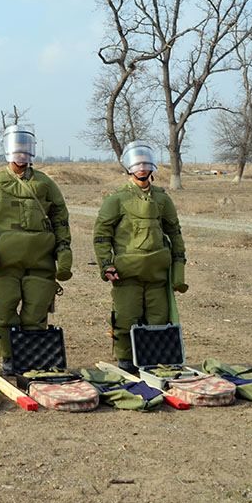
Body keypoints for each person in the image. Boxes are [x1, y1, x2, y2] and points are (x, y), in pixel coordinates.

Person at [0, 125, 72, 373]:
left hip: (41, 262)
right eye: (17, 149)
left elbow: (60, 219)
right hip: (6, 263)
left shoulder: (45, 184)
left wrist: (64, 252)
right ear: (7, 150)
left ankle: (32, 358)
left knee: (35, 315)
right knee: (4, 313)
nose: (21, 154)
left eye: (25, 148)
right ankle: (9, 358)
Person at [93, 140, 187, 373]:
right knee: (126, 318)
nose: (142, 170)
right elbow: (102, 235)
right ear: (129, 168)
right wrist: (107, 265)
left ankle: (153, 359)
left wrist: (178, 271)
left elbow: (174, 233)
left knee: (159, 320)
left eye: (146, 165)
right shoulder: (116, 200)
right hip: (127, 273)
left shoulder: (162, 199)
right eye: (137, 165)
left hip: (157, 273)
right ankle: (125, 360)